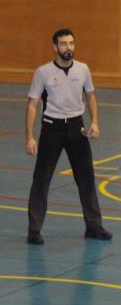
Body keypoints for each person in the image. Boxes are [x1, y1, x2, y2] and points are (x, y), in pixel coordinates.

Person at [25, 29, 112, 245]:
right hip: (51, 129)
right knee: (41, 180)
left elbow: (90, 96)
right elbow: (33, 104)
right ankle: (34, 230)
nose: (68, 48)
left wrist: (94, 122)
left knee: (86, 179)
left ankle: (94, 226)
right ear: (55, 47)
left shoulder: (83, 69)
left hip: (76, 128)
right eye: (63, 44)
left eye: (71, 43)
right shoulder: (43, 72)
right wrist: (30, 136)